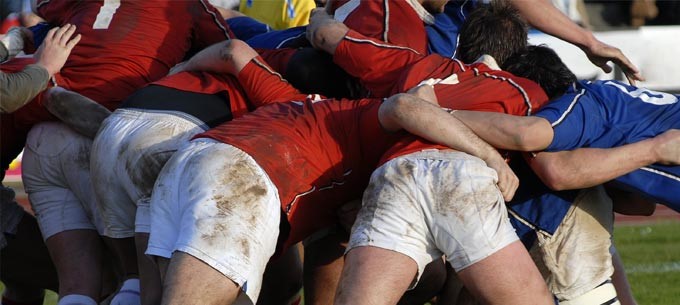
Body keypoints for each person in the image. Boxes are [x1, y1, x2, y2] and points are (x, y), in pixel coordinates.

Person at [145, 38, 545, 305]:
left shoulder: (301, 104)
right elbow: (405, 107)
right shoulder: (362, 116)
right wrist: (490, 157)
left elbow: (234, 51)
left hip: (190, 161)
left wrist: (176, 68)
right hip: (247, 173)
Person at [11, 1, 234, 305]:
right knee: (133, 282)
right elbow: (231, 50)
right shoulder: (187, 5)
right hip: (121, 129)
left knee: (77, 285)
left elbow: (43, 6)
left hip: (45, 136)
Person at [88, 40, 304, 305]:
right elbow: (233, 49)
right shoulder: (297, 102)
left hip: (113, 127)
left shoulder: (240, 58)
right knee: (171, 290)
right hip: (173, 136)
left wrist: (184, 66)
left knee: (135, 283)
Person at [452, 45, 680, 210]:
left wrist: (441, 116)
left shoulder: (582, 101)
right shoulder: (612, 103)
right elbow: (640, 205)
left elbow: (530, 139)